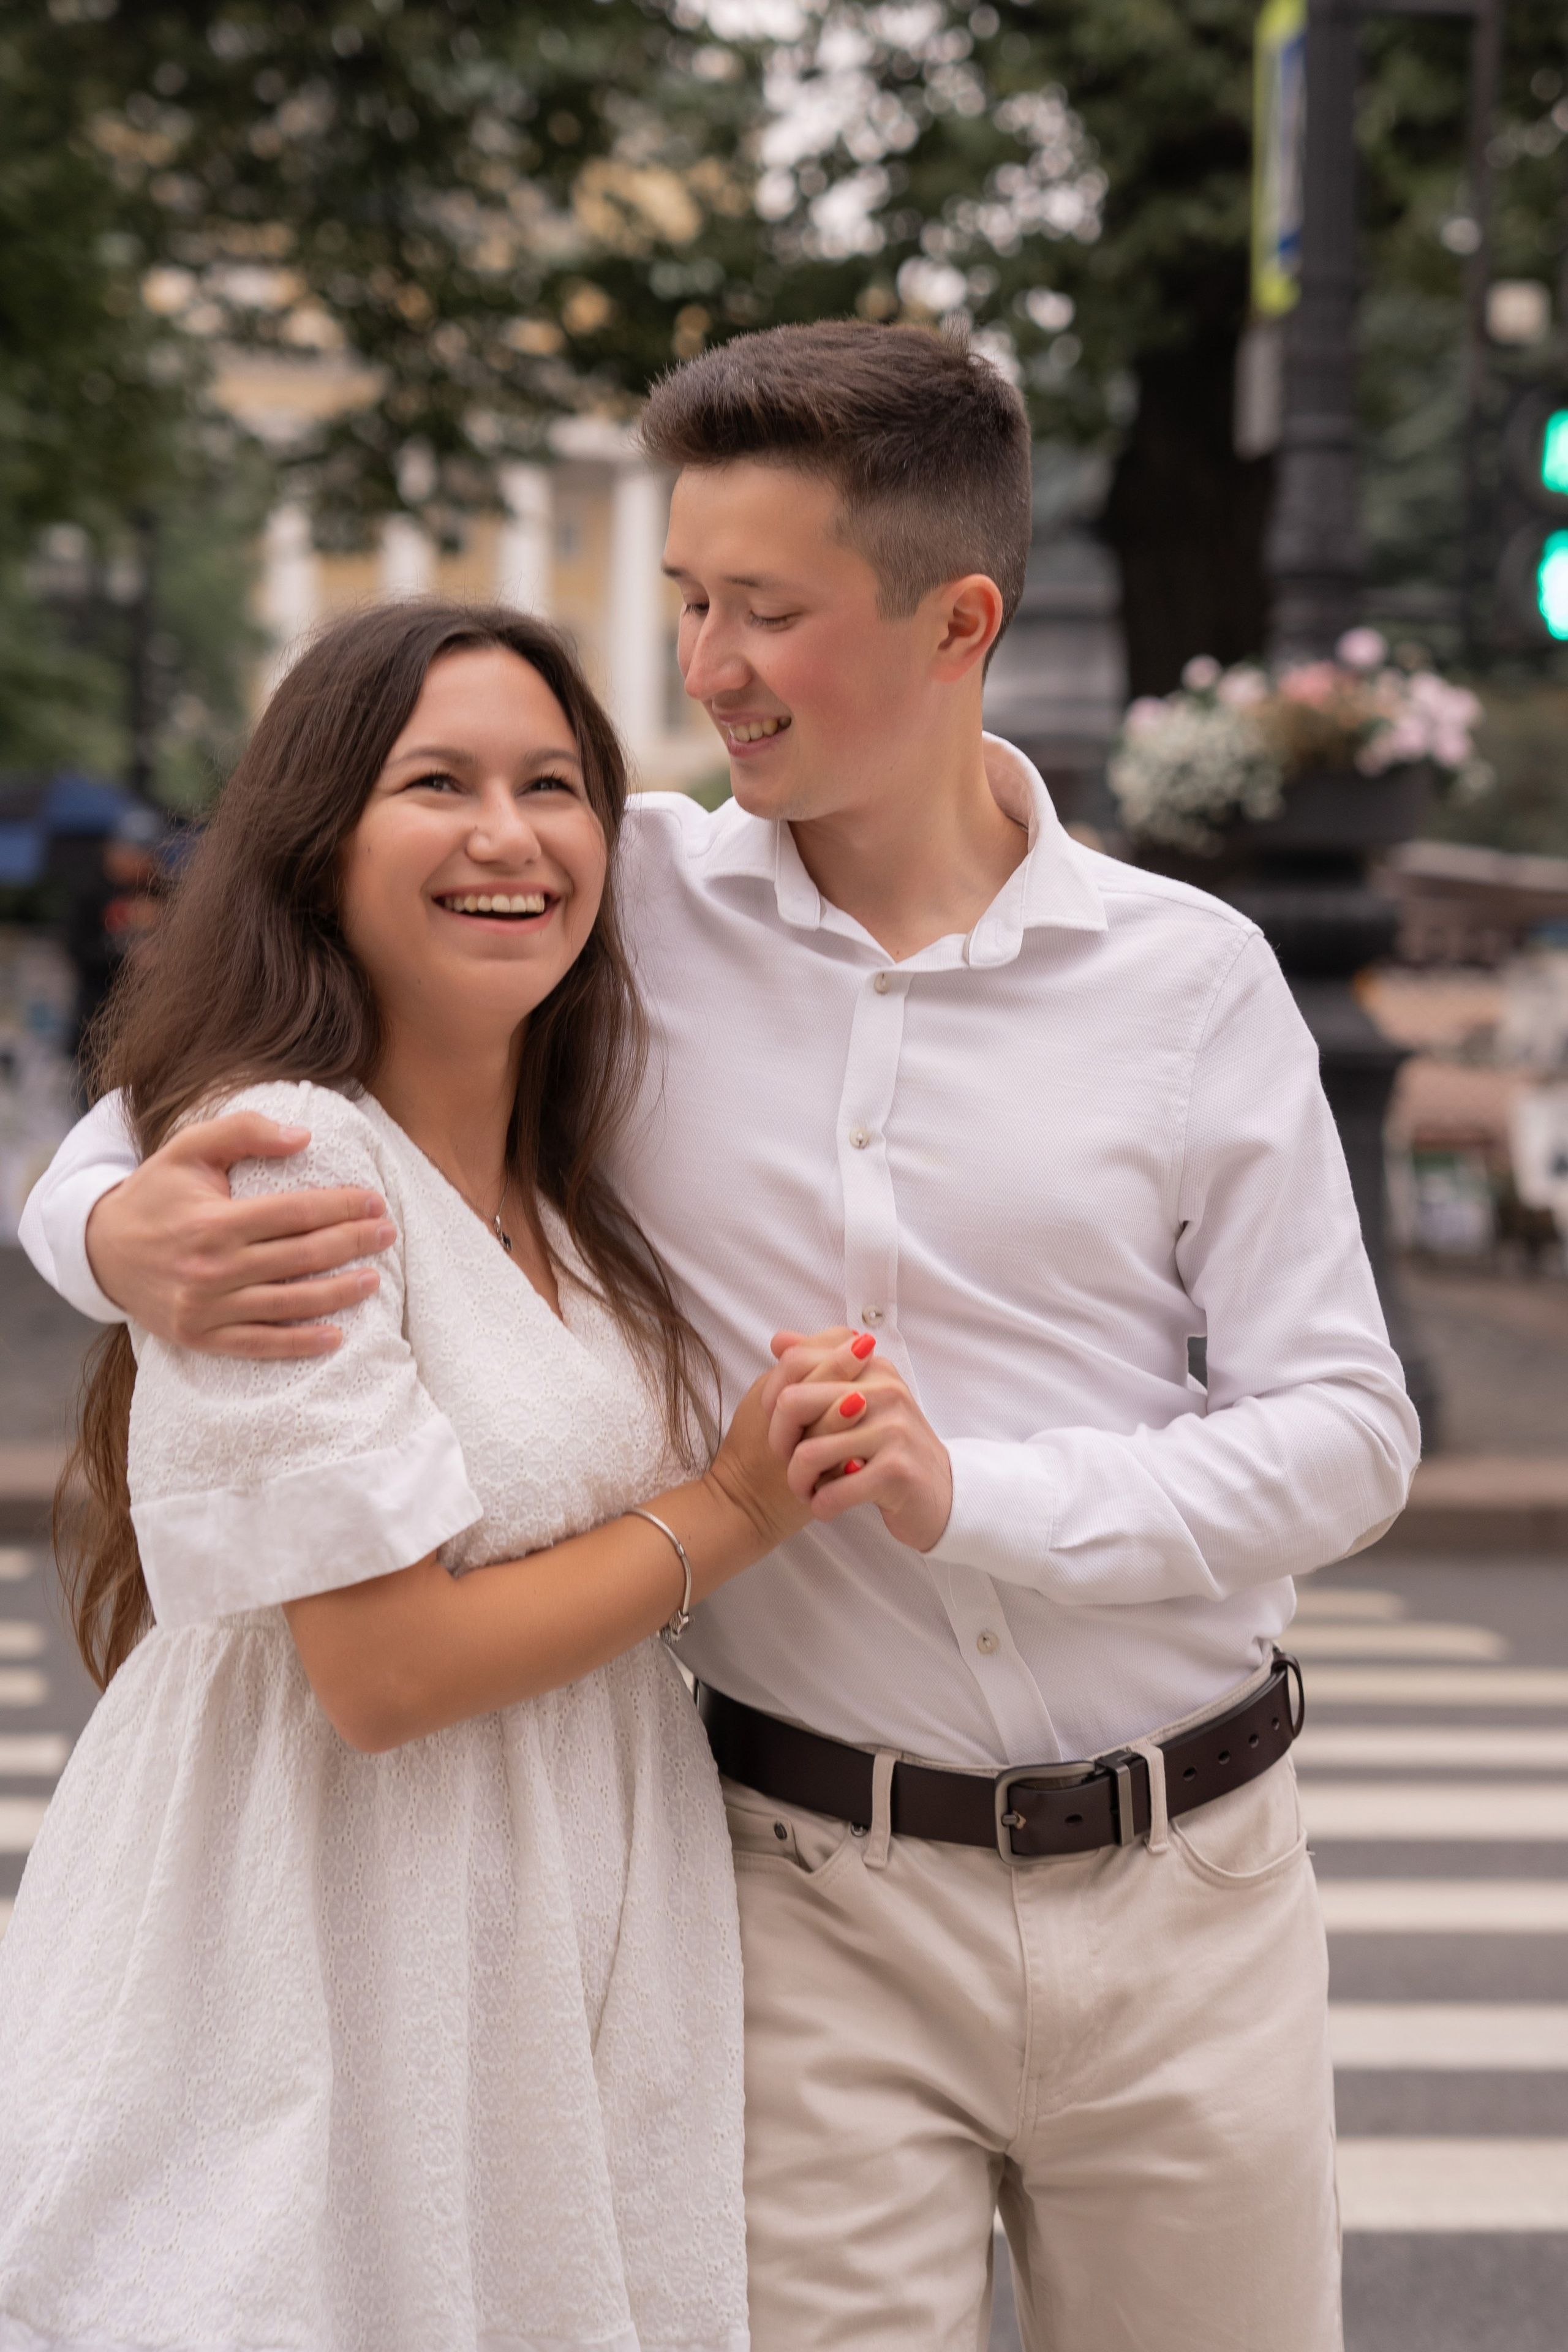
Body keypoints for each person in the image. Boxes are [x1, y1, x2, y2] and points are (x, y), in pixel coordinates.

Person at [23, 325, 1420, 2352]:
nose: (705, 667)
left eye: (765, 611)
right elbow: (231, 1073)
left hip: (1192, 1885)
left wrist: (971, 1497)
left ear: (959, 624)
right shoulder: (623, 893)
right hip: (803, 1894)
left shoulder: (1190, 980)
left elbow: (1351, 1434)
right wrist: (100, 1227)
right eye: (690, 600)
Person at [1, 601, 869, 2352]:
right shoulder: (296, 1159)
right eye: (437, 783)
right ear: (316, 848)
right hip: (325, 1931)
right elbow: (386, 1673)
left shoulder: (570, 1169)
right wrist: (734, 1512)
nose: (508, 835)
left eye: (555, 785)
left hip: (543, 1919)